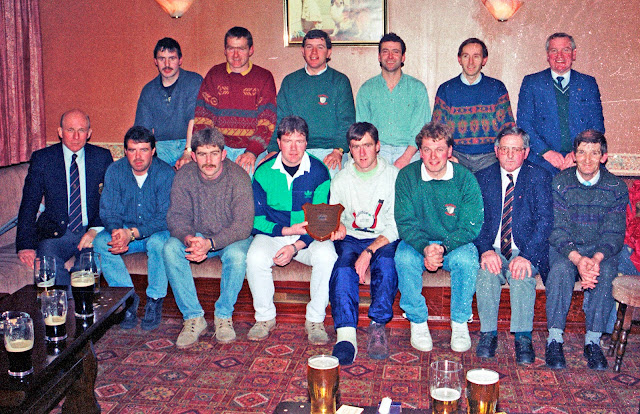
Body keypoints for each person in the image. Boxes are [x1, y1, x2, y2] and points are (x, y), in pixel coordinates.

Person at [247, 115, 337, 344]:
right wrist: (286, 232)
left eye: (299, 141)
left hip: (308, 236)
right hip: (275, 233)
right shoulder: (263, 171)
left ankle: (315, 319)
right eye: (288, 141)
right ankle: (264, 317)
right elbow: (256, 221)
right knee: (255, 257)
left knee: (328, 255)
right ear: (278, 143)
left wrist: (295, 247)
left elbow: (321, 222)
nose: (294, 148)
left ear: (307, 143)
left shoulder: (319, 171)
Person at [394, 121, 483, 353]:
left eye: (439, 149)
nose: (433, 157)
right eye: (427, 149)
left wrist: (443, 248)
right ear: (420, 152)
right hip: (418, 244)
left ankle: (460, 321)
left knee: (467, 259)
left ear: (449, 151)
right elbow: (405, 222)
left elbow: (471, 226)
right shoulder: (406, 176)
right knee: (403, 257)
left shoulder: (465, 178)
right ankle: (417, 320)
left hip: (453, 244)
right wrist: (425, 247)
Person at [163, 127, 254, 348]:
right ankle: (193, 317)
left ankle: (223, 315)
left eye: (214, 153)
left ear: (224, 154)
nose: (209, 160)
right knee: (170, 248)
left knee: (237, 256)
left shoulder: (239, 177)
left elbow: (243, 225)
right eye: (202, 154)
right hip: (197, 235)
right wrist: (188, 239)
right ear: (193, 156)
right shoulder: (184, 176)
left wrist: (211, 244)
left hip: (230, 238)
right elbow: (176, 216)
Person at [545, 130, 628, 371]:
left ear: (604, 157)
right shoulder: (560, 182)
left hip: (600, 250)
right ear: (574, 155)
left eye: (594, 153)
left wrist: (596, 259)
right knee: (560, 270)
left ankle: (593, 341)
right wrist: (578, 259)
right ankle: (554, 339)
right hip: (567, 249)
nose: (588, 159)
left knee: (606, 271)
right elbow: (557, 230)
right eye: (582, 152)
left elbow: (614, 234)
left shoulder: (616, 187)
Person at [473, 125, 553, 364]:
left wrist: (527, 255)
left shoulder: (539, 176)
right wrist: (486, 250)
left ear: (526, 152)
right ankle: (488, 334)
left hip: (525, 249)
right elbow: (474, 220)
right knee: (486, 273)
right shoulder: (482, 177)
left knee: (521, 274)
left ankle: (523, 337)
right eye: (505, 149)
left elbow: (546, 221)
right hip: (494, 247)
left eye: (516, 150)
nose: (509, 155)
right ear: (496, 150)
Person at [329, 122, 399, 365]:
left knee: (387, 265)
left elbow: (395, 224)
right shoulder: (340, 179)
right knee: (343, 269)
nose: (362, 153)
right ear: (349, 149)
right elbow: (336, 217)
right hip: (352, 237)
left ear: (378, 146)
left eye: (367, 145)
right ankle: (346, 336)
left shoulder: (393, 177)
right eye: (355, 147)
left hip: (382, 236)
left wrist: (369, 252)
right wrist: (337, 226)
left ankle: (378, 325)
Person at [16, 109, 113, 285]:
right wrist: (25, 245)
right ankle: (65, 299)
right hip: (56, 233)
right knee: (48, 266)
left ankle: (81, 298)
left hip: (90, 231)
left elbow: (111, 201)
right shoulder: (43, 159)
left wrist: (95, 229)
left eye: (81, 130)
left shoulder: (102, 158)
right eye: (70, 130)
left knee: (88, 268)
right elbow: (29, 203)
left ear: (89, 133)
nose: (76, 136)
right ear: (60, 132)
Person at [93, 126, 174, 330]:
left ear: (153, 151)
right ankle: (127, 298)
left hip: (156, 232)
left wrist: (132, 234)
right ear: (125, 151)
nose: (138, 157)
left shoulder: (165, 173)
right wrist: (116, 232)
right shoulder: (115, 171)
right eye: (132, 150)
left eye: (144, 150)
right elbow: (108, 210)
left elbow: (166, 218)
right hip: (125, 230)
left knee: (159, 243)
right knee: (101, 242)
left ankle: (155, 299)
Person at [265, 29, 355, 176]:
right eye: (309, 47)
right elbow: (279, 119)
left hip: (330, 150)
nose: (314, 52)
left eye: (320, 47)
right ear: (302, 51)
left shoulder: (340, 81)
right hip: (295, 149)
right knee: (269, 173)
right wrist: (274, 150)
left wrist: (338, 151)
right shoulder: (290, 81)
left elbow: (347, 121)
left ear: (329, 52)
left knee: (329, 177)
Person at [192, 27, 277, 174]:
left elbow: (267, 122)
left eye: (241, 49)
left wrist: (252, 152)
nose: (236, 55)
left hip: (252, 149)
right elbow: (203, 118)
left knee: (249, 181)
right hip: (218, 148)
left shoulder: (264, 77)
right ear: (225, 50)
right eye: (231, 49)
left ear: (251, 50)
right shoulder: (214, 75)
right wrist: (211, 152)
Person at [517, 33, 605, 175]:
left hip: (582, 158)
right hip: (542, 159)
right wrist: (546, 152)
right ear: (547, 55)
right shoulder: (531, 83)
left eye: (565, 50)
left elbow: (597, 126)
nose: (560, 56)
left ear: (574, 54)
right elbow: (524, 123)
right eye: (554, 50)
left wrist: (578, 153)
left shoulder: (588, 83)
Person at [432, 38, 515, 173]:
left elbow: (508, 128)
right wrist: (447, 155)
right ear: (459, 59)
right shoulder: (446, 89)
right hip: (456, 156)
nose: (471, 62)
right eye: (466, 56)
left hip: (490, 157)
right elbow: (437, 131)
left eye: (476, 56)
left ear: (484, 60)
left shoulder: (496, 88)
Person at [356, 33, 430, 169]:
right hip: (377, 151)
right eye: (385, 52)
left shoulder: (417, 88)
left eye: (395, 52)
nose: (390, 56)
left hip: (410, 151)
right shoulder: (367, 89)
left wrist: (406, 157)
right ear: (379, 57)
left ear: (403, 57)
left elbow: (422, 129)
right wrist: (373, 156)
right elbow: (362, 130)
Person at [135, 38, 203, 168]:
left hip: (191, 143)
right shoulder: (148, 91)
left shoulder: (194, 81)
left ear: (180, 60)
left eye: (172, 58)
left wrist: (188, 151)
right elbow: (144, 131)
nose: (167, 64)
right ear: (155, 61)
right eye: (162, 59)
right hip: (161, 147)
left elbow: (194, 119)